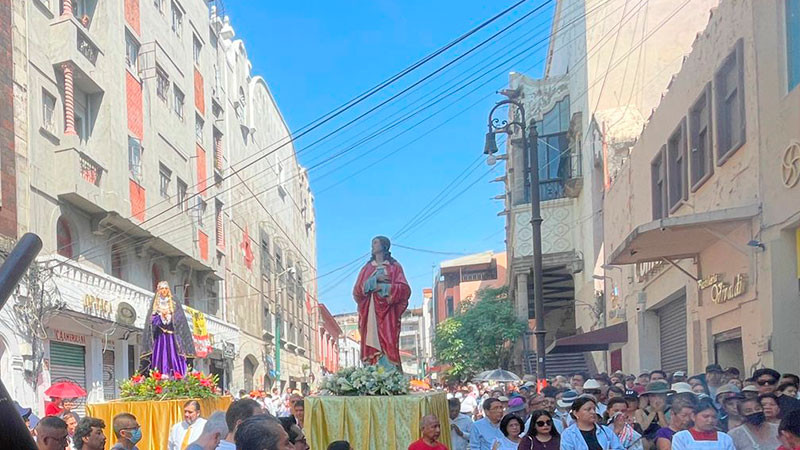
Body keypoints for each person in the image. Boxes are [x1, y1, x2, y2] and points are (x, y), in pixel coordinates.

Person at [353, 236, 411, 371]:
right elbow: (357, 291)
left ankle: (390, 372)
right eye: (372, 243)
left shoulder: (394, 267)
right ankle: (372, 371)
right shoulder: (366, 269)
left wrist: (385, 288)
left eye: (375, 243)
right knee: (371, 340)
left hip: (388, 313)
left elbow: (405, 290)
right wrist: (374, 280)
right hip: (370, 311)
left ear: (384, 246)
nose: (372, 246)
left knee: (389, 340)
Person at [140, 281, 195, 376]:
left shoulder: (174, 303)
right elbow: (151, 320)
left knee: (173, 356)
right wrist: (161, 317)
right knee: (160, 357)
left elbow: (180, 318)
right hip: (160, 337)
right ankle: (159, 374)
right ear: (158, 290)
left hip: (172, 337)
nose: (164, 291)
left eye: (166, 288)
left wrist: (169, 317)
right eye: (162, 289)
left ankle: (176, 374)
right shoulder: (155, 304)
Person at [635, 381, 670, 445]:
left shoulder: (672, 411)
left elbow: (667, 431)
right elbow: (642, 429)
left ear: (665, 396)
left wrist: (660, 412)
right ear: (648, 398)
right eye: (653, 396)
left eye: (661, 395)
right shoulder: (640, 412)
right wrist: (653, 412)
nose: (657, 399)